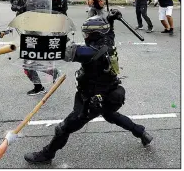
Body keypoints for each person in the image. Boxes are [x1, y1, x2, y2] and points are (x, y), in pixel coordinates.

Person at [24, 10, 153, 164]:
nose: (85, 36)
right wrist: (110, 20)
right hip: (110, 93)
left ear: (94, 35)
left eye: (87, 33)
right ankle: (141, 132)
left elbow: (62, 51)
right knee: (111, 115)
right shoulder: (108, 42)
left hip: (91, 100)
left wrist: (37, 39)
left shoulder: (90, 52)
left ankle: (46, 155)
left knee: (63, 128)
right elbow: (109, 31)